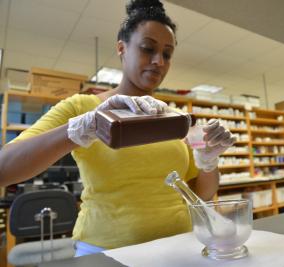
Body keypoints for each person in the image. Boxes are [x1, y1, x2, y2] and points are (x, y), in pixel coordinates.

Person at [0, 0, 235, 256]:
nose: (159, 61)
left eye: (167, 54)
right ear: (122, 48)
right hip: (105, 252)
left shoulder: (175, 119)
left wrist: (209, 162)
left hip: (177, 248)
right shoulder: (84, 107)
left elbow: (201, 192)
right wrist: (81, 127)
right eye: (148, 48)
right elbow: (4, 169)